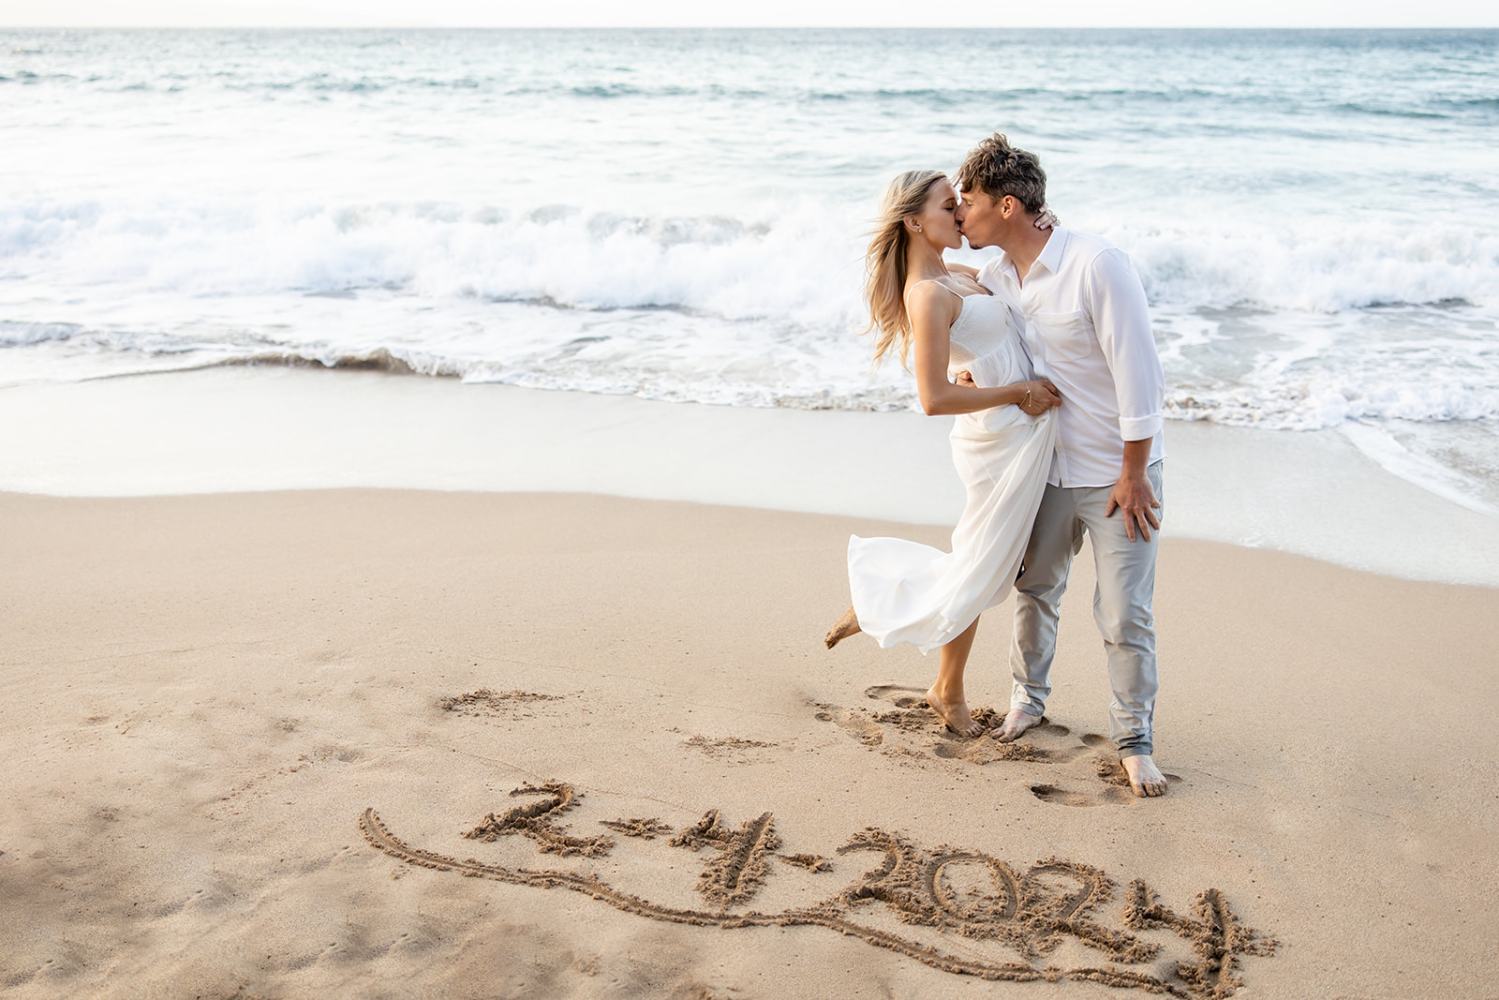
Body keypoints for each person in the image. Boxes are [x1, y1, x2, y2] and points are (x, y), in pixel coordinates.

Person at [952, 133, 1170, 798]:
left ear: (1007, 206)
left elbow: (1141, 376)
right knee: (1036, 588)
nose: (960, 213)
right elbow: (993, 344)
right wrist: (972, 375)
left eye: (968, 201)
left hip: (1117, 473)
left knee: (1124, 614)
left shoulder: (1096, 265)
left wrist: (1135, 473)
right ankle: (1027, 700)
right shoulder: (996, 277)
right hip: (1043, 467)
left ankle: (1133, 741)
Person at [823, 169, 1060, 738]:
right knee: (983, 565)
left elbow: (986, 344)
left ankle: (884, 604)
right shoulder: (928, 294)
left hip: (1017, 430)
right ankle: (941, 682)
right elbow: (933, 398)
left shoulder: (958, 274)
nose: (960, 214)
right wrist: (1016, 392)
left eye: (960, 203)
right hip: (997, 440)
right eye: (948, 205)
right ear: (913, 221)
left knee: (991, 565)